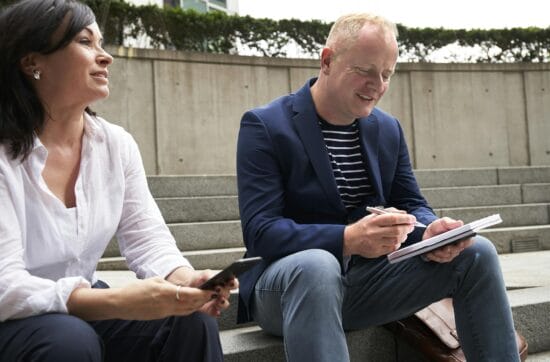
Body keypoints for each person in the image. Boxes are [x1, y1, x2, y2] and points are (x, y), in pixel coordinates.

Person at [236, 13, 520, 362]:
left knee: (478, 253)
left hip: (367, 284)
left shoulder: (387, 128)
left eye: (387, 74)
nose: (378, 84)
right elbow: (260, 232)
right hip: (285, 289)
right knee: (317, 265)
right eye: (365, 70)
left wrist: (429, 230)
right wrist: (347, 239)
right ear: (327, 61)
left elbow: (410, 201)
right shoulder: (265, 125)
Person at [0, 1, 236, 361]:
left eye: (102, 43)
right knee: (69, 339)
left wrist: (185, 281)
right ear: (33, 62)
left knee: (190, 322)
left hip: (83, 307)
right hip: (13, 317)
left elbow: (147, 238)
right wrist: (113, 300)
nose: (105, 56)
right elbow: (5, 285)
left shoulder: (115, 144)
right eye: (85, 42)